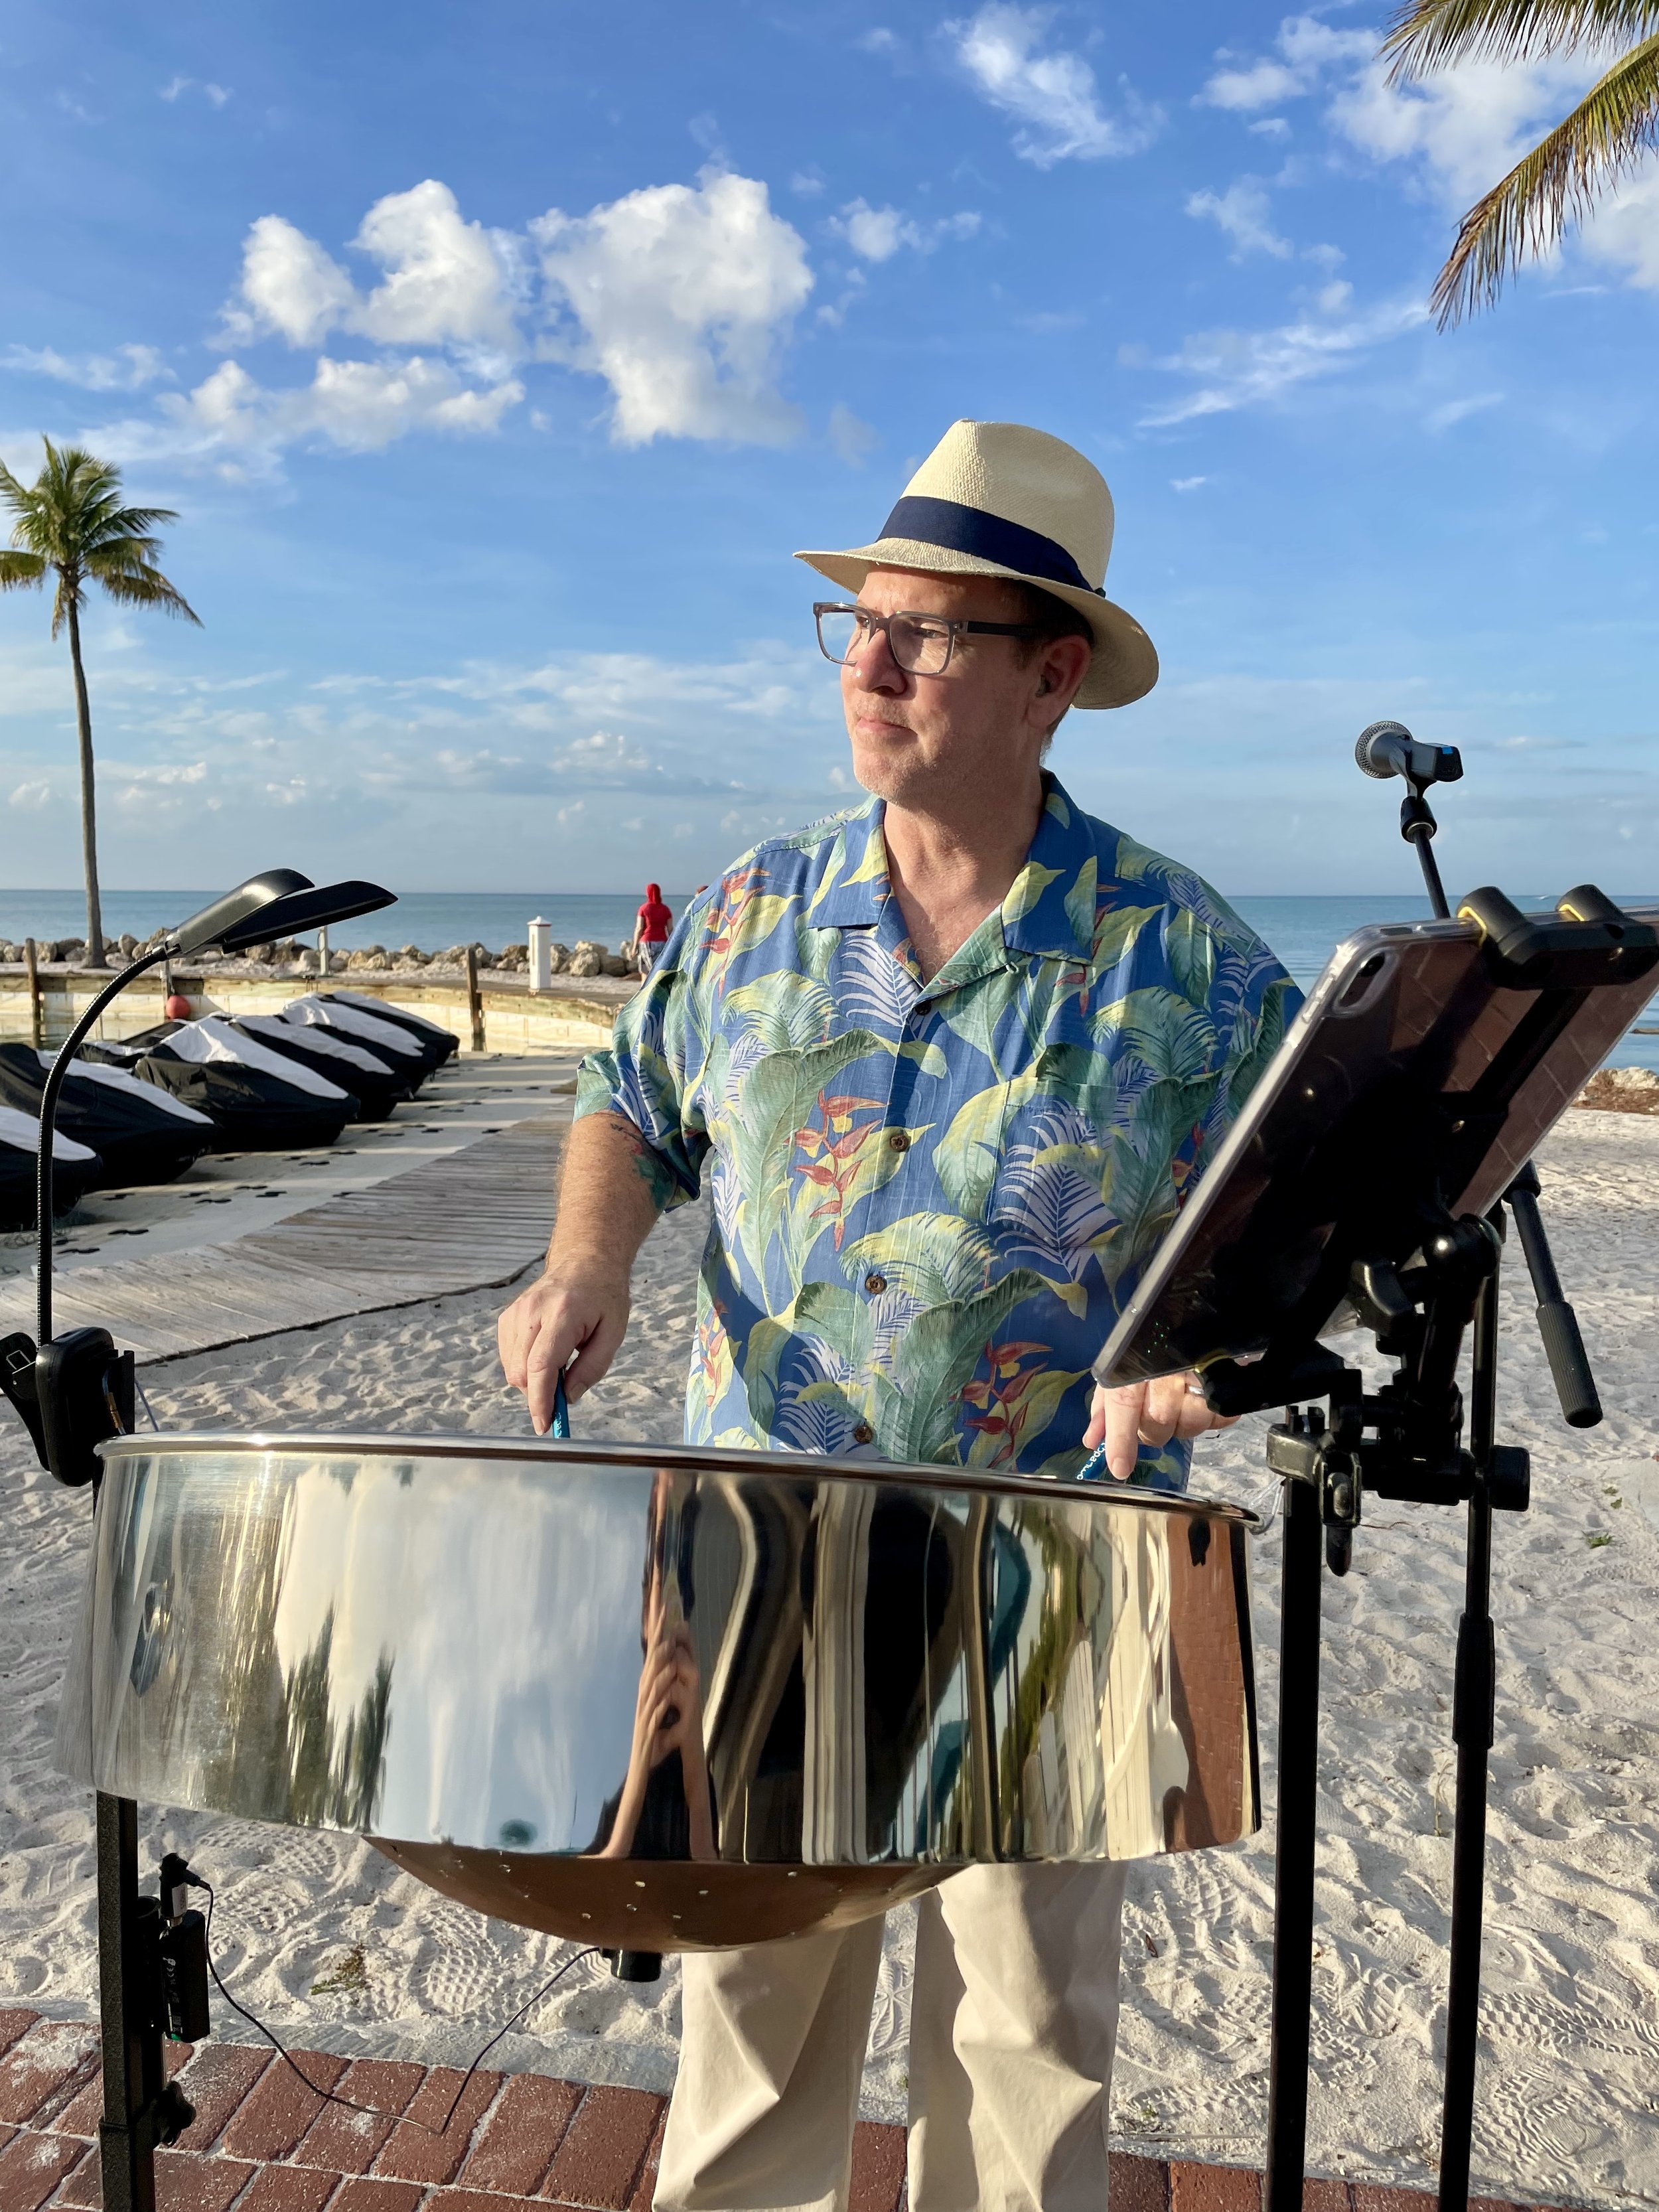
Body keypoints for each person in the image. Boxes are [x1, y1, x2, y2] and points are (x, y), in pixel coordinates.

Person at [499, 419, 1297, 2212]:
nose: (868, 663)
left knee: (1019, 2056)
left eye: (926, 633)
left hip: (1043, 1571)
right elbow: (624, 1103)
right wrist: (590, 1258)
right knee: (749, 2042)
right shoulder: (751, 910)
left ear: (1050, 677)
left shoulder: (1194, 959)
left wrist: (1203, 1358)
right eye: (860, 623)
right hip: (757, 1557)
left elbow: (1293, 1226)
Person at [634, 881, 674, 977]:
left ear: (648, 893)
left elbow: (639, 928)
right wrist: (673, 945)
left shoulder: (643, 909)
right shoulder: (666, 909)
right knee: (659, 971)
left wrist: (634, 946)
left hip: (647, 943)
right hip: (662, 943)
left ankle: (644, 990)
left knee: (646, 972)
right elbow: (670, 929)